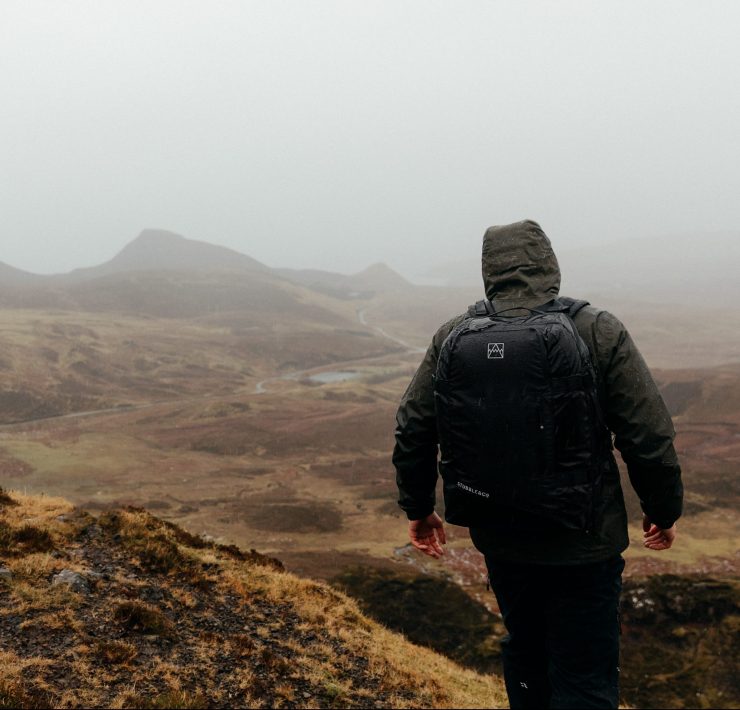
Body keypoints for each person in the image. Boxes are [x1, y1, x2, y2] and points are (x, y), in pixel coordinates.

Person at [392, 220, 683, 710]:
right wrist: (662, 508)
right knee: (585, 675)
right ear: (548, 263)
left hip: (503, 539)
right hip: (585, 541)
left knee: (526, 654)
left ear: (489, 270)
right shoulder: (596, 328)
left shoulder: (455, 334)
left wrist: (418, 508)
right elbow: (647, 434)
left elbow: (414, 427)